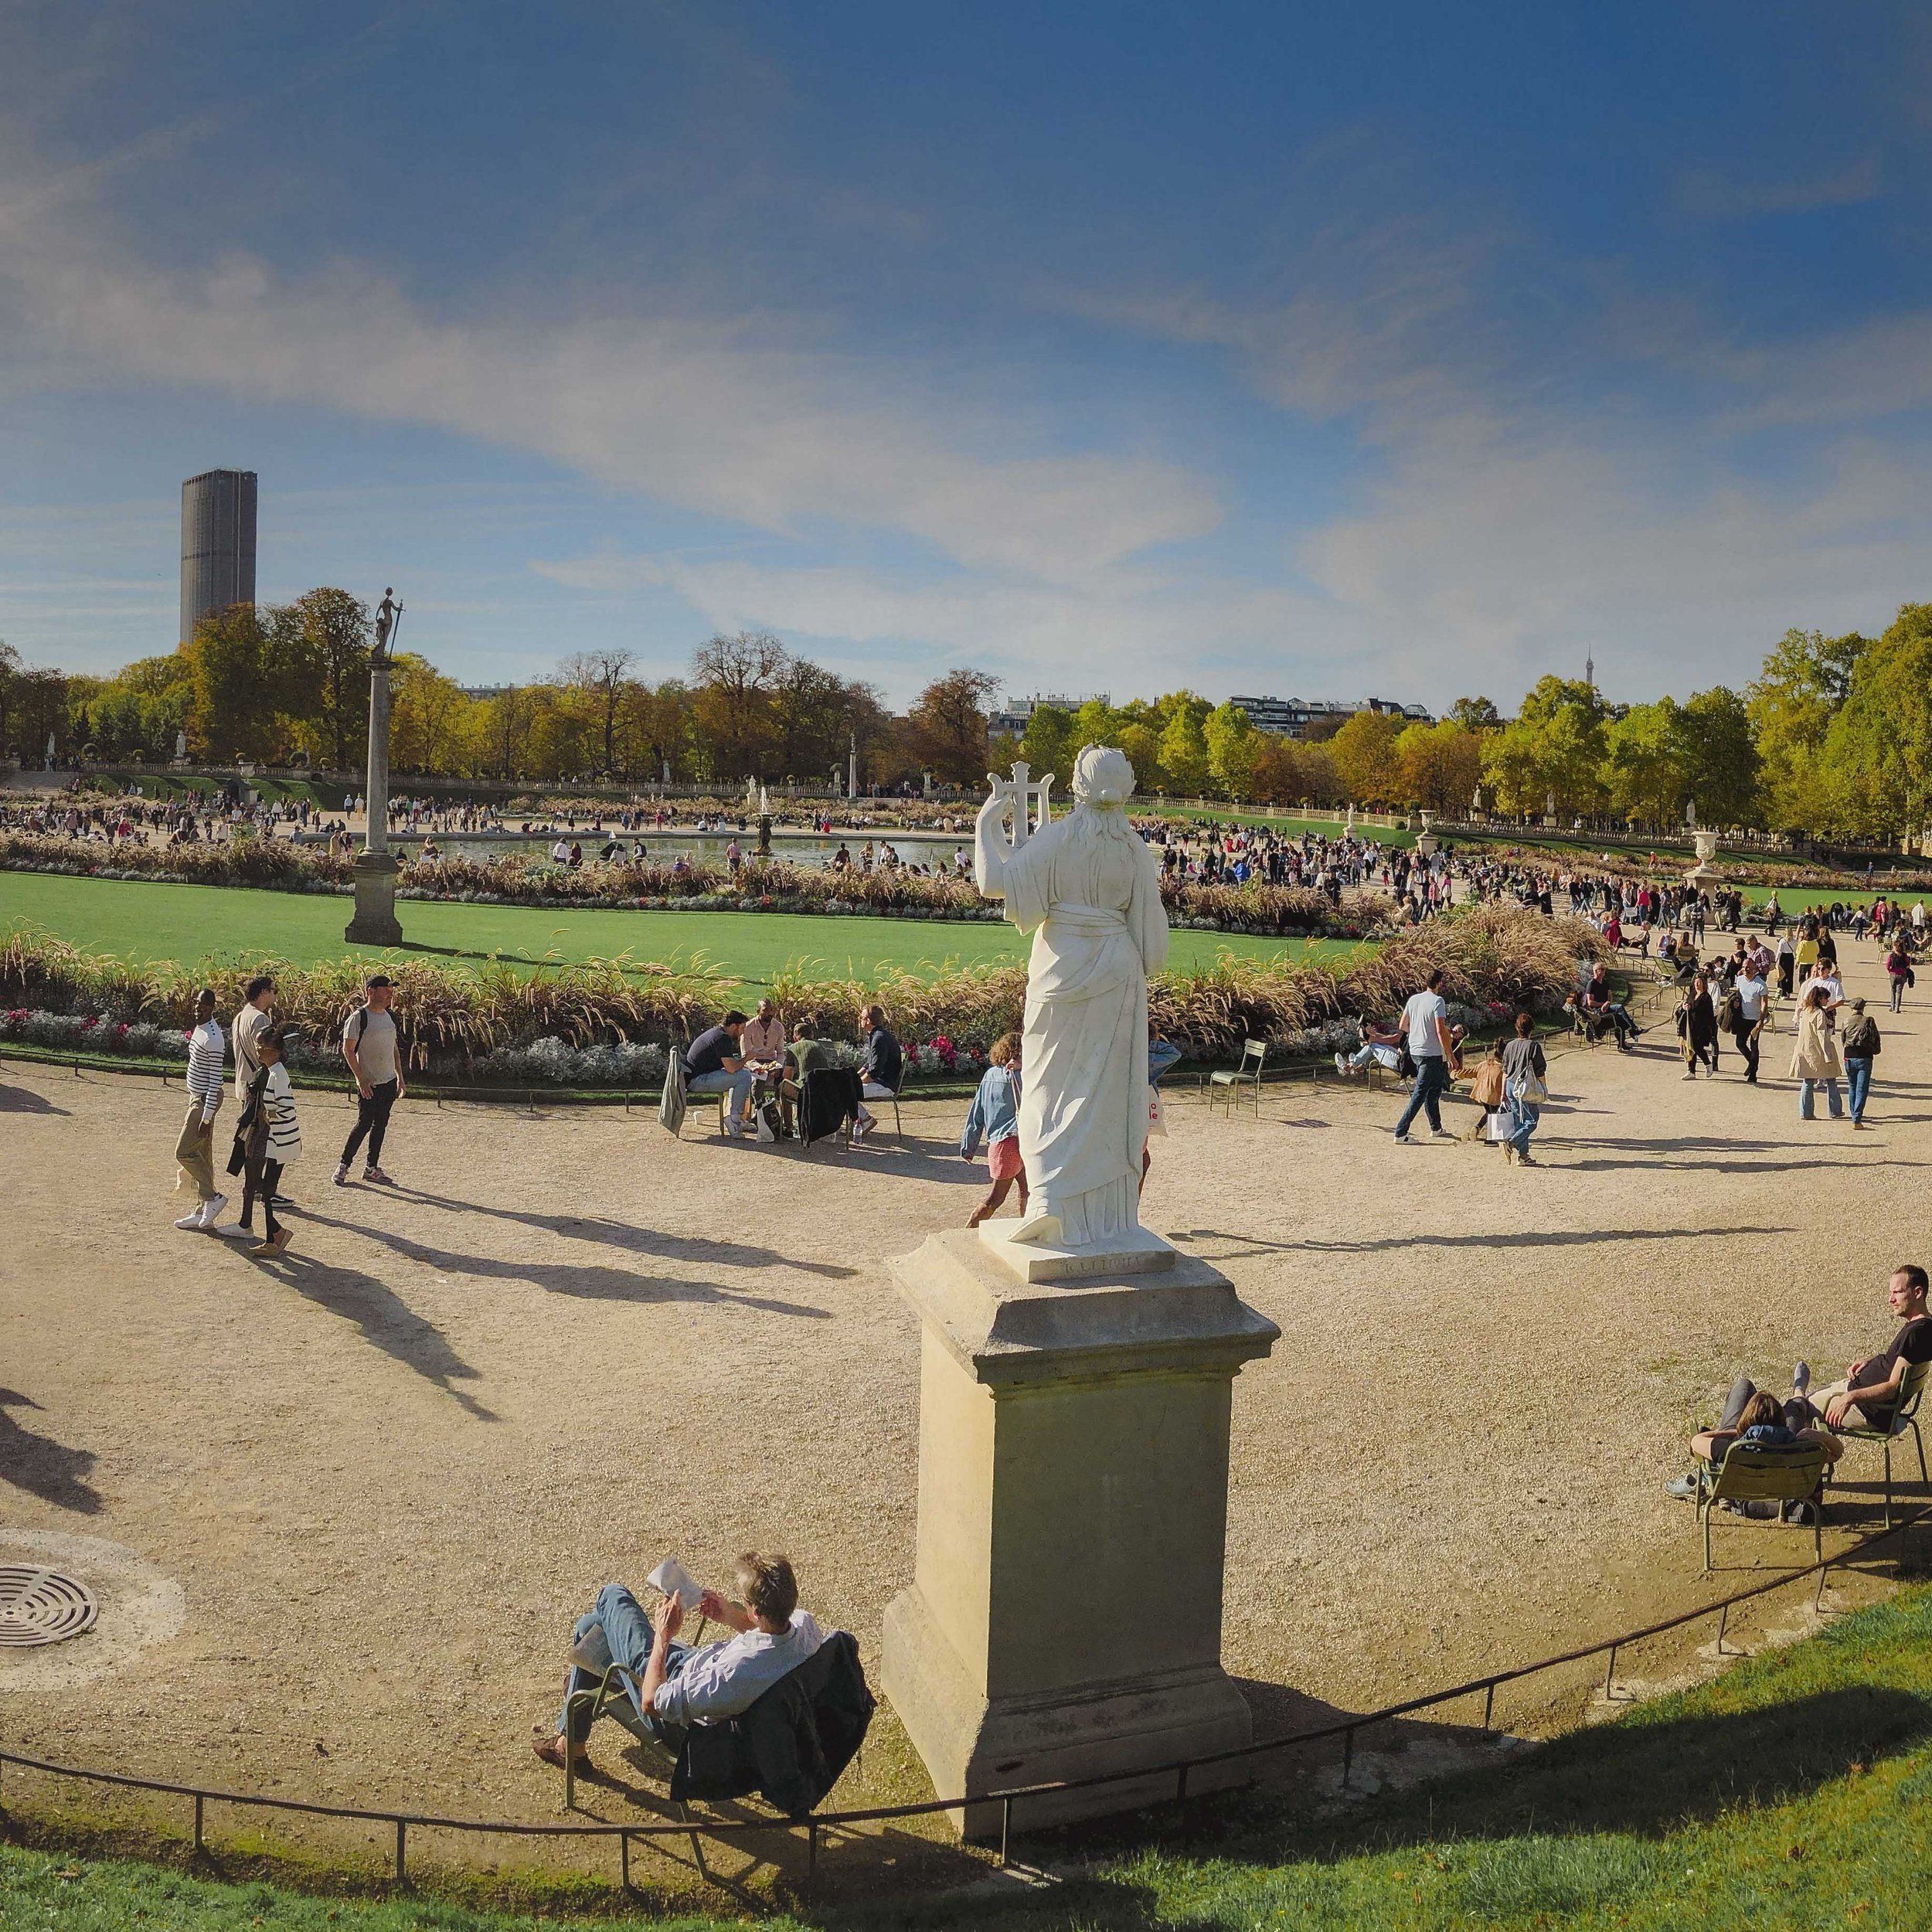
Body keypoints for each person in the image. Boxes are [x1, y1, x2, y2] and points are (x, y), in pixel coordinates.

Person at [534, 1553, 822, 1770]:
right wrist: (731, 1617)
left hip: (672, 1698)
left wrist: (663, 1636)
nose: (741, 1604)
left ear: (757, 1612)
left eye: (743, 1602)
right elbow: (771, 1637)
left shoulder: (732, 1677)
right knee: (592, 1627)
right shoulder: (805, 1628)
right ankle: (571, 1743)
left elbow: (653, 1703)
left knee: (612, 1597)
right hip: (692, 1665)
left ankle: (573, 1730)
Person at [1801, 1264, 1932, 1434]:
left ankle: (1807, 1456)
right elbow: (1897, 1361)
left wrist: (1850, 1398)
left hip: (1866, 1410)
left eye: (1898, 1292)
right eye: (1890, 1293)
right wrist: (1872, 1361)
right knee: (1804, 1401)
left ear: (1918, 1293)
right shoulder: (1923, 1327)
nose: (1891, 1299)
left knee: (1798, 1409)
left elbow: (1893, 1388)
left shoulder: (1917, 1334)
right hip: (1861, 1396)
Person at [233, 1027, 301, 1257]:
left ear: (274, 1051)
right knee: (268, 1191)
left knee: (268, 1191)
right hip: (279, 1141)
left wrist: (266, 1115)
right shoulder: (274, 1072)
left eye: (262, 1047)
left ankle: (276, 1236)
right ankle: (274, 1236)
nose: (259, 1051)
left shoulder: (276, 1075)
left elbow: (286, 1107)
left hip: (278, 1141)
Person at [335, 974, 405, 1185]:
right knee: (364, 1124)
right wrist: (361, 1079)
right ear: (371, 991)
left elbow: (394, 1050)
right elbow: (348, 1050)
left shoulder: (390, 1017)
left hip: (388, 1081)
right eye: (386, 989)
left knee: (380, 1125)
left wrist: (400, 1077)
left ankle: (371, 1167)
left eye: (392, 990)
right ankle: (343, 1165)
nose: (390, 993)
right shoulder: (358, 1018)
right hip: (370, 1083)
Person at [172, 988, 229, 1232]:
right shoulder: (201, 1028)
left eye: (204, 1005)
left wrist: (206, 1117)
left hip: (204, 1100)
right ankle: (201, 1210)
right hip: (197, 1097)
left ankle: (212, 1197)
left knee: (184, 1152)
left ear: (212, 1007)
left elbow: (216, 1080)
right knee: (203, 1154)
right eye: (196, 1004)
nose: (198, 1008)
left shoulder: (214, 1038)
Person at [961, 1033, 1026, 1226]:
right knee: (997, 1197)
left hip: (999, 1141)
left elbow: (977, 1112)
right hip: (1015, 1139)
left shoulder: (989, 1075)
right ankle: (969, 1229)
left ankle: (1029, 1227)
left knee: (1027, 1187)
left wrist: (968, 1146)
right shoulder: (1019, 1075)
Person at [1392, 967, 1458, 1142]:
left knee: (1434, 1088)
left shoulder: (1414, 999)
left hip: (1416, 1050)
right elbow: (1440, 1031)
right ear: (1439, 984)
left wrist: (1419, 1032)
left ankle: (1436, 1127)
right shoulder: (1438, 1001)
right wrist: (1451, 1055)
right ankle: (1401, 1132)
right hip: (1431, 1053)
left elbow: (1403, 1026)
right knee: (1420, 1093)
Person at [684, 1012, 755, 1136]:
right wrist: (746, 1059)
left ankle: (735, 1117)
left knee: (741, 1074)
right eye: (742, 1028)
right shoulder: (722, 1038)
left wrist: (742, 1065)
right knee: (744, 1076)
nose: (743, 1032)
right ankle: (734, 1119)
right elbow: (732, 1069)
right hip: (698, 1081)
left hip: (696, 1077)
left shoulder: (717, 1033)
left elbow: (730, 1066)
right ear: (734, 1026)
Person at [1791, 981, 1844, 1121]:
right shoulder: (1820, 1013)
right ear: (1820, 999)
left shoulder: (1805, 1011)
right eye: (1826, 998)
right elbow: (1822, 1034)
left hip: (1804, 1050)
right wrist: (1828, 1055)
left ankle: (1806, 1113)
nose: (1828, 1001)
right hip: (1818, 1051)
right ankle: (1835, 1111)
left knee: (1807, 1082)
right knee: (1831, 1080)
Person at [1500, 1012, 1547, 1168]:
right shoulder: (1533, 1046)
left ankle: (1524, 1156)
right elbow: (1540, 1070)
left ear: (1517, 1028)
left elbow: (1505, 1071)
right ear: (1531, 1029)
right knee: (1531, 1121)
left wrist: (1502, 1092)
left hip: (1510, 1085)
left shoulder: (1509, 1046)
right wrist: (1544, 1088)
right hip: (1524, 1087)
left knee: (1520, 1121)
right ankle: (1511, 1142)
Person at [853, 1002, 902, 1141]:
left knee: (846, 1092)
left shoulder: (879, 1038)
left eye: (861, 1017)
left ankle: (865, 1120)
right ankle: (861, 1120)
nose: (859, 1019)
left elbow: (874, 1071)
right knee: (845, 1088)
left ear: (868, 1021)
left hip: (885, 1085)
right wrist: (854, 1078)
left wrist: (855, 1083)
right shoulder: (877, 1035)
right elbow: (869, 1064)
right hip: (883, 1082)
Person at [1841, 995, 1880, 1129]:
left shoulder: (1846, 1021)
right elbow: (1875, 1038)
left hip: (1849, 1056)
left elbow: (1843, 1041)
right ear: (1863, 1007)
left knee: (1852, 1086)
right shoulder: (1868, 1021)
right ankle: (1856, 1119)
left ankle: (1854, 1115)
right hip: (1865, 1056)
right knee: (1862, 1089)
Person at [1728, 956, 1769, 1085]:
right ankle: (1752, 1064)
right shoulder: (1739, 980)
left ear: (1755, 969)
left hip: (1755, 1019)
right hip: (1742, 1018)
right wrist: (1735, 1002)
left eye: (1748, 968)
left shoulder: (1760, 985)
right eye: (1744, 967)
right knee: (1740, 1043)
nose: (1745, 969)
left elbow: (1764, 1003)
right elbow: (1738, 995)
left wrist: (1761, 1020)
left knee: (1754, 1045)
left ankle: (1753, 1074)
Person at [1579, 962, 1638, 1048]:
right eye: (1602, 969)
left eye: (1604, 969)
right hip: (1597, 1010)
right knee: (1619, 1008)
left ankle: (1628, 1035)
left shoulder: (1605, 983)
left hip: (1606, 1007)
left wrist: (1608, 1002)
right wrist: (1602, 1004)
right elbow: (1590, 1002)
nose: (1604, 971)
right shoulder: (1591, 984)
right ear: (1596, 971)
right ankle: (1632, 1029)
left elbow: (1610, 996)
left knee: (1619, 1016)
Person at [1335, 1015, 1404, 1077]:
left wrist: (1373, 1036)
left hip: (1401, 1063)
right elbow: (1392, 1039)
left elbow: (1395, 1039)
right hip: (1402, 1061)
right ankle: (1356, 1069)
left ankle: (1349, 1067)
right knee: (1375, 1046)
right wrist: (1375, 1034)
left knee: (1372, 1046)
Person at [1679, 971, 1718, 1079]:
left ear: (1704, 984)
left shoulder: (1706, 998)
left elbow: (1708, 1015)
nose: (1697, 985)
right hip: (1690, 1026)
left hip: (1701, 1028)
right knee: (1690, 1048)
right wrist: (1684, 1006)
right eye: (1696, 982)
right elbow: (1686, 1003)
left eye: (1699, 982)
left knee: (1697, 1047)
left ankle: (1708, 1064)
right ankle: (1691, 1071)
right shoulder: (1692, 994)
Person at [740, 998, 787, 1084]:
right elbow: (745, 1055)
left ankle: (780, 1097)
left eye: (771, 1010)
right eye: (765, 1010)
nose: (769, 1013)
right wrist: (760, 1067)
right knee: (759, 1078)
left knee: (783, 1076)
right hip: (754, 1061)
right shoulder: (749, 1027)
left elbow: (780, 1052)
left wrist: (778, 1065)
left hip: (771, 1061)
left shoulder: (778, 1027)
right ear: (758, 1011)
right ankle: (757, 1098)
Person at [1886, 936, 1913, 1013]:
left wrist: (1890, 970)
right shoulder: (1905, 956)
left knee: (1893, 990)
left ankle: (1892, 1006)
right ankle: (1897, 1008)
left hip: (1893, 974)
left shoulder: (1891, 956)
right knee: (1899, 991)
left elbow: (1888, 965)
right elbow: (1908, 965)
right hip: (1902, 974)